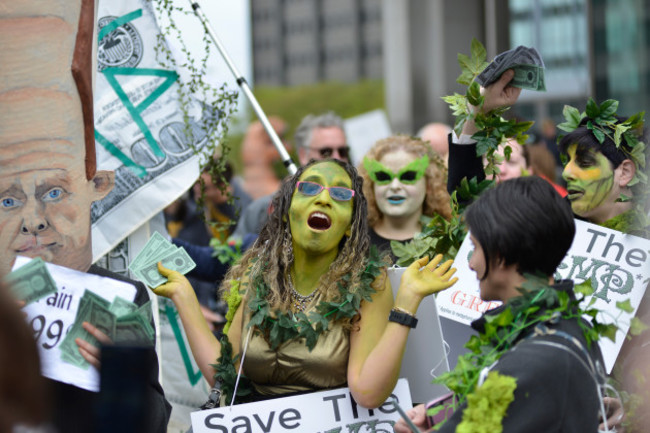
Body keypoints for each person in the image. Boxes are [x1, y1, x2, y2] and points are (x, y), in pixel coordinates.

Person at [154, 159, 458, 408]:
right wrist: (184, 296)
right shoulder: (260, 271)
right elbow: (225, 376)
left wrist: (406, 302)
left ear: (351, 225)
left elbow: (368, 392)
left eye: (340, 195)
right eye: (310, 187)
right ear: (288, 209)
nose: (324, 198)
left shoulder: (366, 280)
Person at [446, 68, 648, 431]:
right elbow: (475, 209)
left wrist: (632, 406)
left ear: (625, 172)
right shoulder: (549, 228)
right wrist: (478, 116)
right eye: (565, 160)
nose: (567, 172)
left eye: (583, 162)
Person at [0, 2, 171, 430]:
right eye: (7, 200)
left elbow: (153, 420)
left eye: (53, 192)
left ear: (95, 187)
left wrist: (116, 375)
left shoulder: (120, 300)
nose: (34, 220)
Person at [395, 176, 607, 432]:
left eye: (475, 248)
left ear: (502, 253)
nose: (471, 264)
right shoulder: (571, 326)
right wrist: (439, 411)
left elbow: (519, 387)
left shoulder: (531, 360)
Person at [232, 111, 350, 238]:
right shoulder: (265, 209)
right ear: (303, 154)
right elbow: (232, 252)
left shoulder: (359, 205)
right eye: (326, 151)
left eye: (343, 151)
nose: (337, 158)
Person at [359, 135, 451, 261]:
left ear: (429, 185)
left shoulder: (447, 243)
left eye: (408, 176)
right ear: (371, 185)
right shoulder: (353, 242)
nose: (395, 186)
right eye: (383, 176)